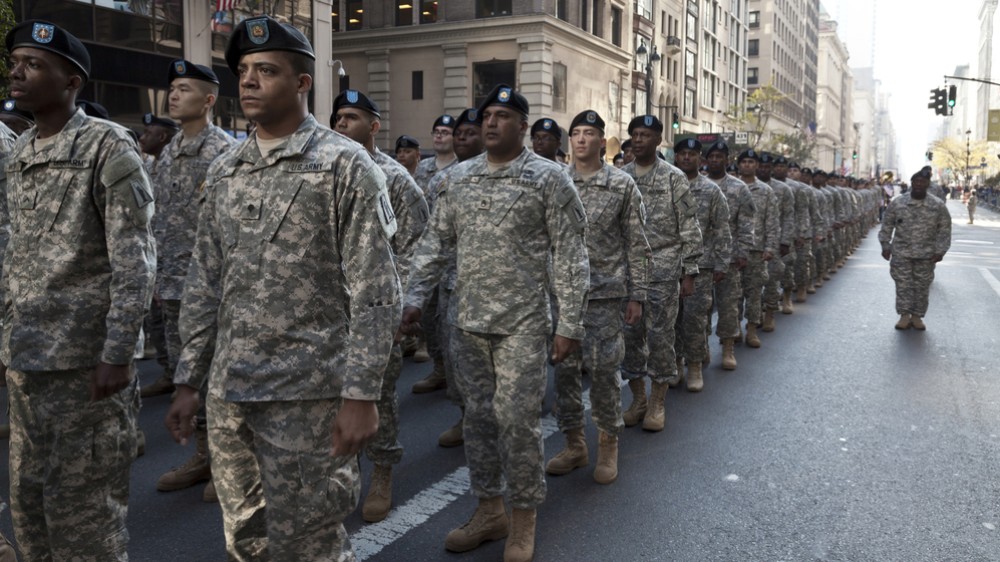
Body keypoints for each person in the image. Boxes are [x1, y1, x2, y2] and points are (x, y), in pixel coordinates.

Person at [164, 16, 399, 560]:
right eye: (243, 70)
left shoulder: (345, 165)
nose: (248, 81)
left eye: (265, 70)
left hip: (308, 395)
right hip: (231, 393)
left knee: (309, 542)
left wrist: (361, 394)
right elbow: (204, 283)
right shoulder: (225, 170)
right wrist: (188, 380)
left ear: (301, 83)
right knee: (245, 538)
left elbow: (376, 288)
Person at [401, 84, 589, 562]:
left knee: (518, 422)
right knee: (479, 421)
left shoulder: (550, 180)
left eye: (503, 115)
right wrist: (413, 299)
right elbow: (434, 245)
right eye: (487, 115)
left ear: (523, 126)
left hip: (522, 325)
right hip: (467, 323)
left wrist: (569, 323)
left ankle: (523, 518)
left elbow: (570, 255)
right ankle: (490, 510)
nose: (491, 122)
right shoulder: (457, 180)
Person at [2, 20, 156, 560]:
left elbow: (134, 259)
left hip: (83, 366)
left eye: (34, 64)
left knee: (86, 518)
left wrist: (117, 354)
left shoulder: (106, 145)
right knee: (30, 506)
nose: (18, 72)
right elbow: (16, 256)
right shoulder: (21, 149)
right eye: (16, 61)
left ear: (73, 82)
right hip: (28, 363)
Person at [332, 88, 429, 523]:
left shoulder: (395, 179)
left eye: (350, 118)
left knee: (378, 395)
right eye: (337, 118)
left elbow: (415, 247)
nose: (340, 126)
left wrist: (401, 306)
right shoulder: (326, 170)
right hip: (332, 312)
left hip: (375, 310)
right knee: (334, 395)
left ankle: (383, 471)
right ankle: (343, 469)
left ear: (373, 126)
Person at [147, 59, 237, 503]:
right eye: (172, 88)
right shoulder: (168, 153)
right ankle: (203, 455)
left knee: (219, 379)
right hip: (173, 284)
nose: (174, 95)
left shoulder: (223, 151)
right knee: (189, 376)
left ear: (208, 100)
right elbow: (160, 221)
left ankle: (229, 462)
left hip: (210, 287)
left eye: (184, 88)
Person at [546, 109, 649, 484]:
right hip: (561, 295)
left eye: (590, 133)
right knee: (566, 374)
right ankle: (574, 444)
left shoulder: (621, 185)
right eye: (576, 133)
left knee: (605, 373)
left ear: (602, 141)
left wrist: (636, 294)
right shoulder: (555, 181)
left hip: (605, 296)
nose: (582, 139)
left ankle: (608, 443)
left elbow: (638, 244)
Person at [620, 116, 702, 432]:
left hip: (664, 270)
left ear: (658, 140)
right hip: (628, 273)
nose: (639, 140)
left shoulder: (673, 178)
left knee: (660, 336)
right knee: (629, 337)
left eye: (646, 135)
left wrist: (689, 271)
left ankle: (657, 401)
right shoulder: (620, 177)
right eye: (635, 135)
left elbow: (689, 227)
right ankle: (638, 398)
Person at [421, 107, 485, 449]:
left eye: (469, 133)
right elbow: (431, 239)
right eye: (457, 133)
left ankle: (504, 422)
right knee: (457, 361)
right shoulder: (440, 181)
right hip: (451, 288)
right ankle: (465, 416)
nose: (461, 138)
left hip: (496, 292)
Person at [672, 138, 731, 392]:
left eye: (692, 154)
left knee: (694, 318)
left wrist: (721, 263)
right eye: (682, 154)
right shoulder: (664, 185)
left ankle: (694, 365)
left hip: (701, 267)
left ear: (700, 159)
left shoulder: (711, 191)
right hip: (667, 265)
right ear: (676, 157)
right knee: (670, 320)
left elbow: (721, 228)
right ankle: (676, 362)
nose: (687, 158)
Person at [879, 169, 952, 330]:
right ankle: (904, 316)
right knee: (903, 285)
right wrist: (885, 245)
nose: (919, 184)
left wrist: (940, 251)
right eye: (916, 182)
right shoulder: (898, 203)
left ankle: (917, 316)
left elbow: (944, 229)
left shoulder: (937, 205)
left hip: (926, 254)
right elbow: (887, 224)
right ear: (912, 184)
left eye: (922, 182)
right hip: (901, 253)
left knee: (922, 286)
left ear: (928, 184)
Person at [703, 141, 754, 370]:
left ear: (727, 160)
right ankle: (700, 346)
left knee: (728, 305)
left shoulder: (739, 188)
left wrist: (743, 251)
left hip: (730, 257)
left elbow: (745, 224)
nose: (715, 160)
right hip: (700, 259)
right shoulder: (696, 185)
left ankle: (727, 347)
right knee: (700, 308)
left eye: (719, 156)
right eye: (711, 156)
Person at [735, 149, 777, 349]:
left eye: (752, 162)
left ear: (757, 166)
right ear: (739, 164)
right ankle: (733, 328)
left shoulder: (766, 191)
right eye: (744, 162)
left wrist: (770, 247)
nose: (748, 165)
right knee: (733, 294)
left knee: (753, 293)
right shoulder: (731, 186)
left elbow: (771, 220)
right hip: (733, 249)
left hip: (756, 249)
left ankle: (751, 330)